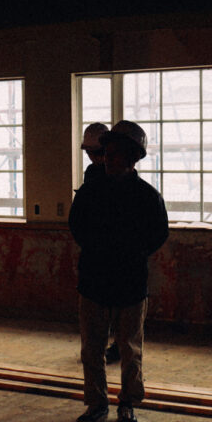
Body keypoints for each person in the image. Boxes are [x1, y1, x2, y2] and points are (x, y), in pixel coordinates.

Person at [68, 120, 169, 422]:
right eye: (107, 153)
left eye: (114, 153)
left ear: (132, 157)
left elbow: (158, 234)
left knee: (129, 349)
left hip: (130, 283)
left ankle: (128, 404)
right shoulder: (90, 192)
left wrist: (129, 254)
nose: (108, 158)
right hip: (95, 280)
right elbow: (77, 226)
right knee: (92, 348)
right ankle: (97, 403)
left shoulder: (147, 197)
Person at [78, 122, 121, 365]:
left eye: (96, 153)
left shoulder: (118, 176)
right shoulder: (92, 174)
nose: (93, 158)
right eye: (90, 154)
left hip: (116, 255)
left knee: (118, 306)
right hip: (98, 255)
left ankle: (117, 345)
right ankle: (103, 346)